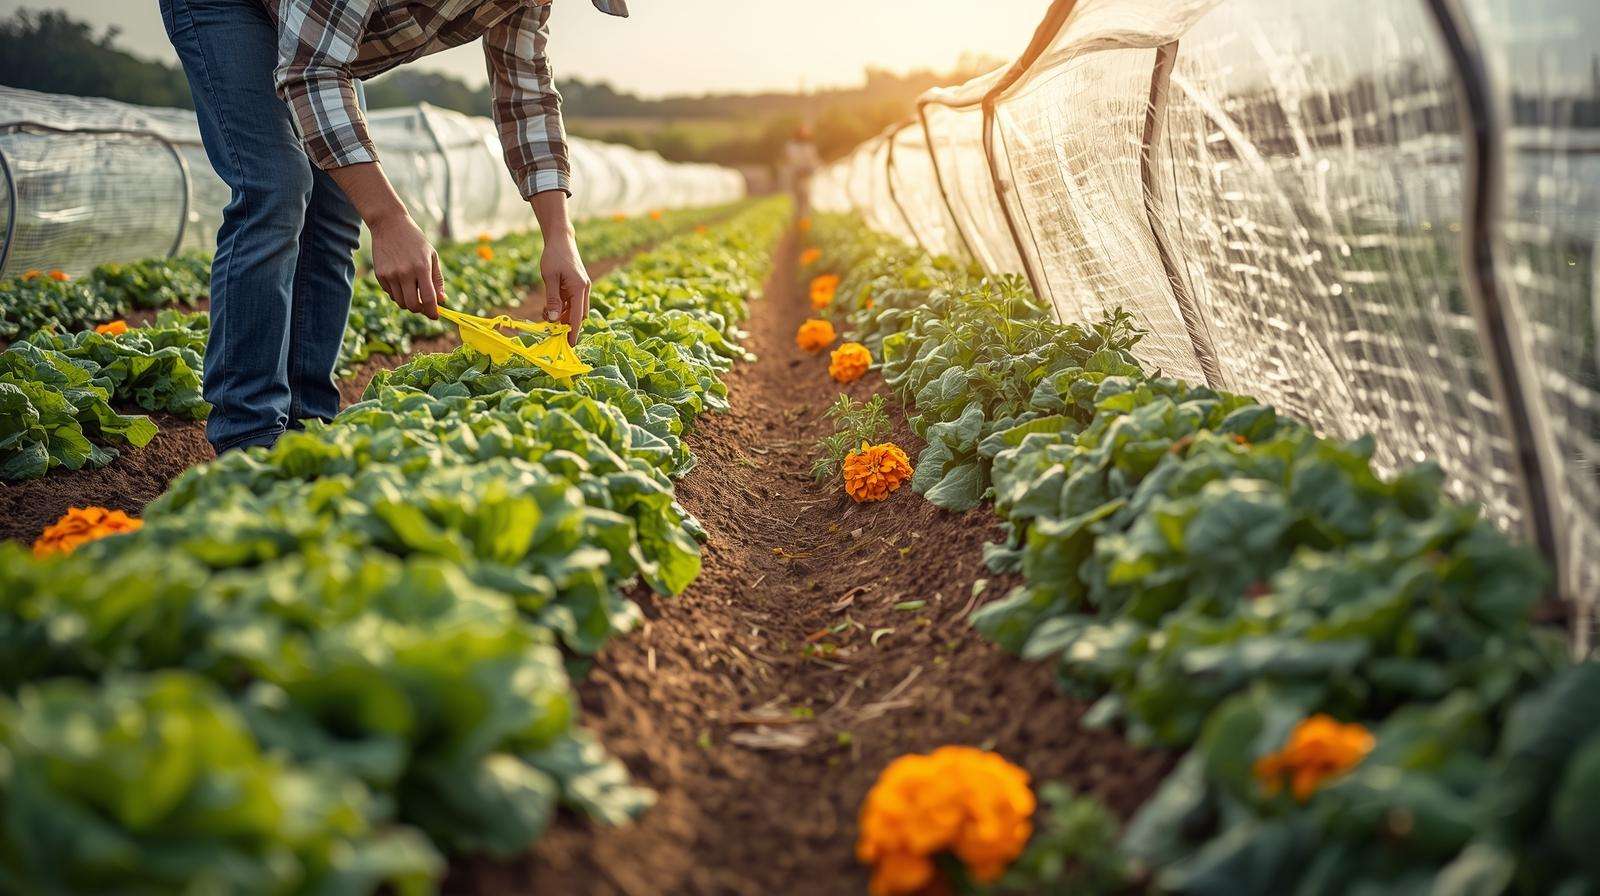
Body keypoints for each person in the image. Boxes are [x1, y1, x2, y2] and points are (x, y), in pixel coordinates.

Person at [159, 0, 625, 454]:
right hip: (229, 9)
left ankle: (308, 425)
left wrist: (559, 235)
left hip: (318, 36)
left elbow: (526, 97)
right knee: (277, 188)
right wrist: (389, 220)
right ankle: (249, 435)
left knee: (337, 207)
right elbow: (311, 71)